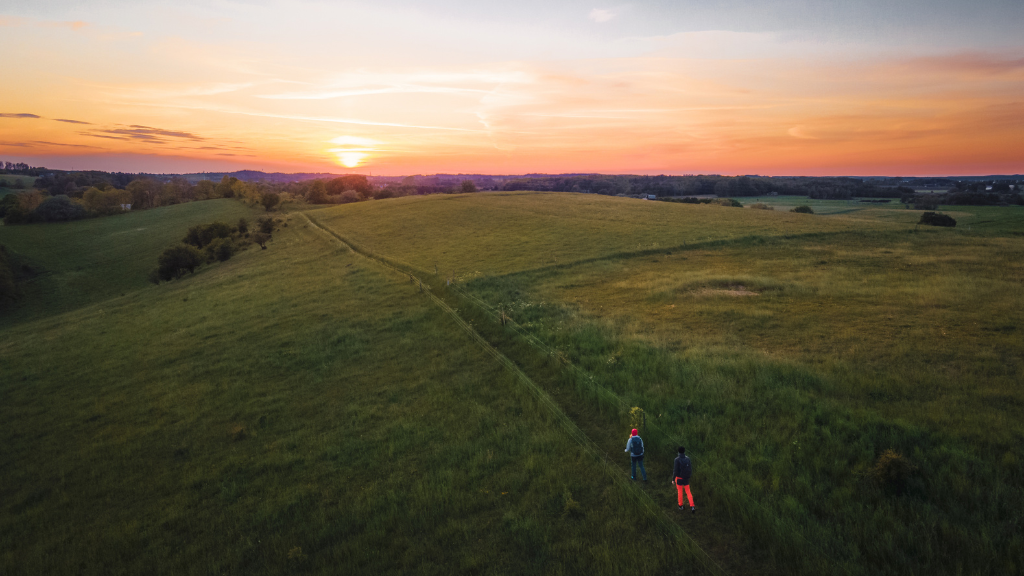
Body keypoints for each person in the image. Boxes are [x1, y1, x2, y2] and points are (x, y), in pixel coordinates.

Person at [671, 446, 696, 513]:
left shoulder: (676, 459)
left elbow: (675, 470)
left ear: (678, 452)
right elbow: (690, 468)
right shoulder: (688, 459)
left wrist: (673, 479)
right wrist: (688, 476)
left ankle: (680, 506)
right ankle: (692, 506)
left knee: (680, 492)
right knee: (688, 491)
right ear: (684, 451)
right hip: (686, 478)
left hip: (679, 478)